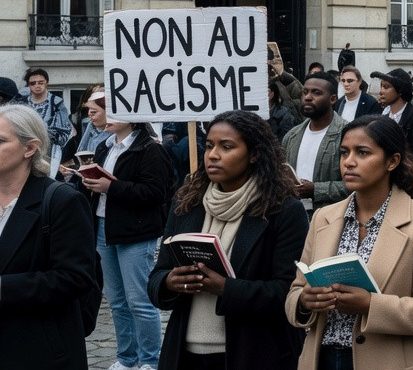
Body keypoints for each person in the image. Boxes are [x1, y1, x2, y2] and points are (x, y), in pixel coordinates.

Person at [285, 115, 413, 370]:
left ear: (392, 161)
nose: (349, 162)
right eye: (344, 152)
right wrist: (304, 301)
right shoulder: (323, 218)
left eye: (362, 153)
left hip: (391, 361)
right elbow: (295, 291)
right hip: (323, 357)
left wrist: (370, 305)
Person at [148, 110, 309, 370]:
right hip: (186, 352)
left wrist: (226, 288)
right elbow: (157, 275)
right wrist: (170, 281)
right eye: (209, 145)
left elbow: (288, 292)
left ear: (254, 154)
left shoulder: (283, 210)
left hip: (253, 352)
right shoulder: (187, 202)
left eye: (226, 147)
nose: (213, 155)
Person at [0, 104, 99, 370]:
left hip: (38, 348)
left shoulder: (61, 200)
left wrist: (3, 288)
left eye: (0, 140)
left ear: (29, 148)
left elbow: (75, 277)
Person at [81, 90, 173, 370]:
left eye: (112, 110)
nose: (104, 117)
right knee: (117, 301)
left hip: (136, 231)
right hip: (104, 227)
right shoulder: (104, 146)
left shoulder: (150, 149)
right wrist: (87, 182)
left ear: (131, 115)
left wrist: (112, 187)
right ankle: (127, 358)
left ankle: (150, 360)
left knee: (139, 301)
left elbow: (156, 193)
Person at [282, 73, 349, 216]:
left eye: (316, 93)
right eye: (305, 92)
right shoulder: (292, 136)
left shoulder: (347, 134)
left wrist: (316, 190)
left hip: (331, 217)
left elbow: (356, 184)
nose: (308, 97)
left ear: (332, 99)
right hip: (294, 216)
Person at [369, 68, 413, 180]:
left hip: (409, 182)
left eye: (386, 87)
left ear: (400, 91)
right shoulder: (380, 117)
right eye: (381, 86)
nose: (381, 91)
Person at [21, 68, 69, 177]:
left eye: (41, 82)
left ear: (46, 83)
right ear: (28, 85)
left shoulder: (57, 103)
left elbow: (64, 132)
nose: (37, 86)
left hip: (49, 151)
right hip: (26, 149)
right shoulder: (22, 102)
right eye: (33, 83)